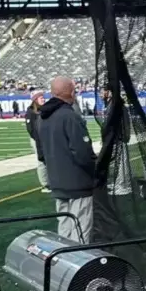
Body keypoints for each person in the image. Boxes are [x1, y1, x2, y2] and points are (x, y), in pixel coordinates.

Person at [38, 76, 98, 243]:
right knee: (81, 229)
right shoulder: (69, 116)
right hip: (77, 182)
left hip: (57, 181)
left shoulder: (42, 117)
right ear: (71, 92)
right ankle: (78, 259)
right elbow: (83, 153)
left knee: (64, 227)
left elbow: (41, 153)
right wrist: (94, 169)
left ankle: (62, 257)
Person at [26, 91, 49, 193]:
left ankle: (50, 181)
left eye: (43, 97)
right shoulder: (31, 112)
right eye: (40, 97)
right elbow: (31, 129)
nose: (43, 99)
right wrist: (39, 139)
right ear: (35, 100)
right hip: (37, 139)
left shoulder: (44, 109)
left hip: (46, 138)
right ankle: (45, 184)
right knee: (42, 161)